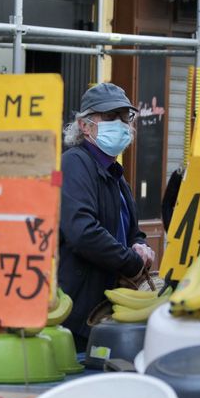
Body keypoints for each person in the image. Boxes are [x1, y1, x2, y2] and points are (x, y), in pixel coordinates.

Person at [59, 83, 155, 351]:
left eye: (125, 117)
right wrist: (131, 262)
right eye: (110, 117)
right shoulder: (75, 163)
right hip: (79, 313)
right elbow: (83, 232)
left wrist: (140, 244)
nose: (121, 124)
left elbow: (130, 229)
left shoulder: (115, 172)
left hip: (109, 309)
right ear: (84, 126)